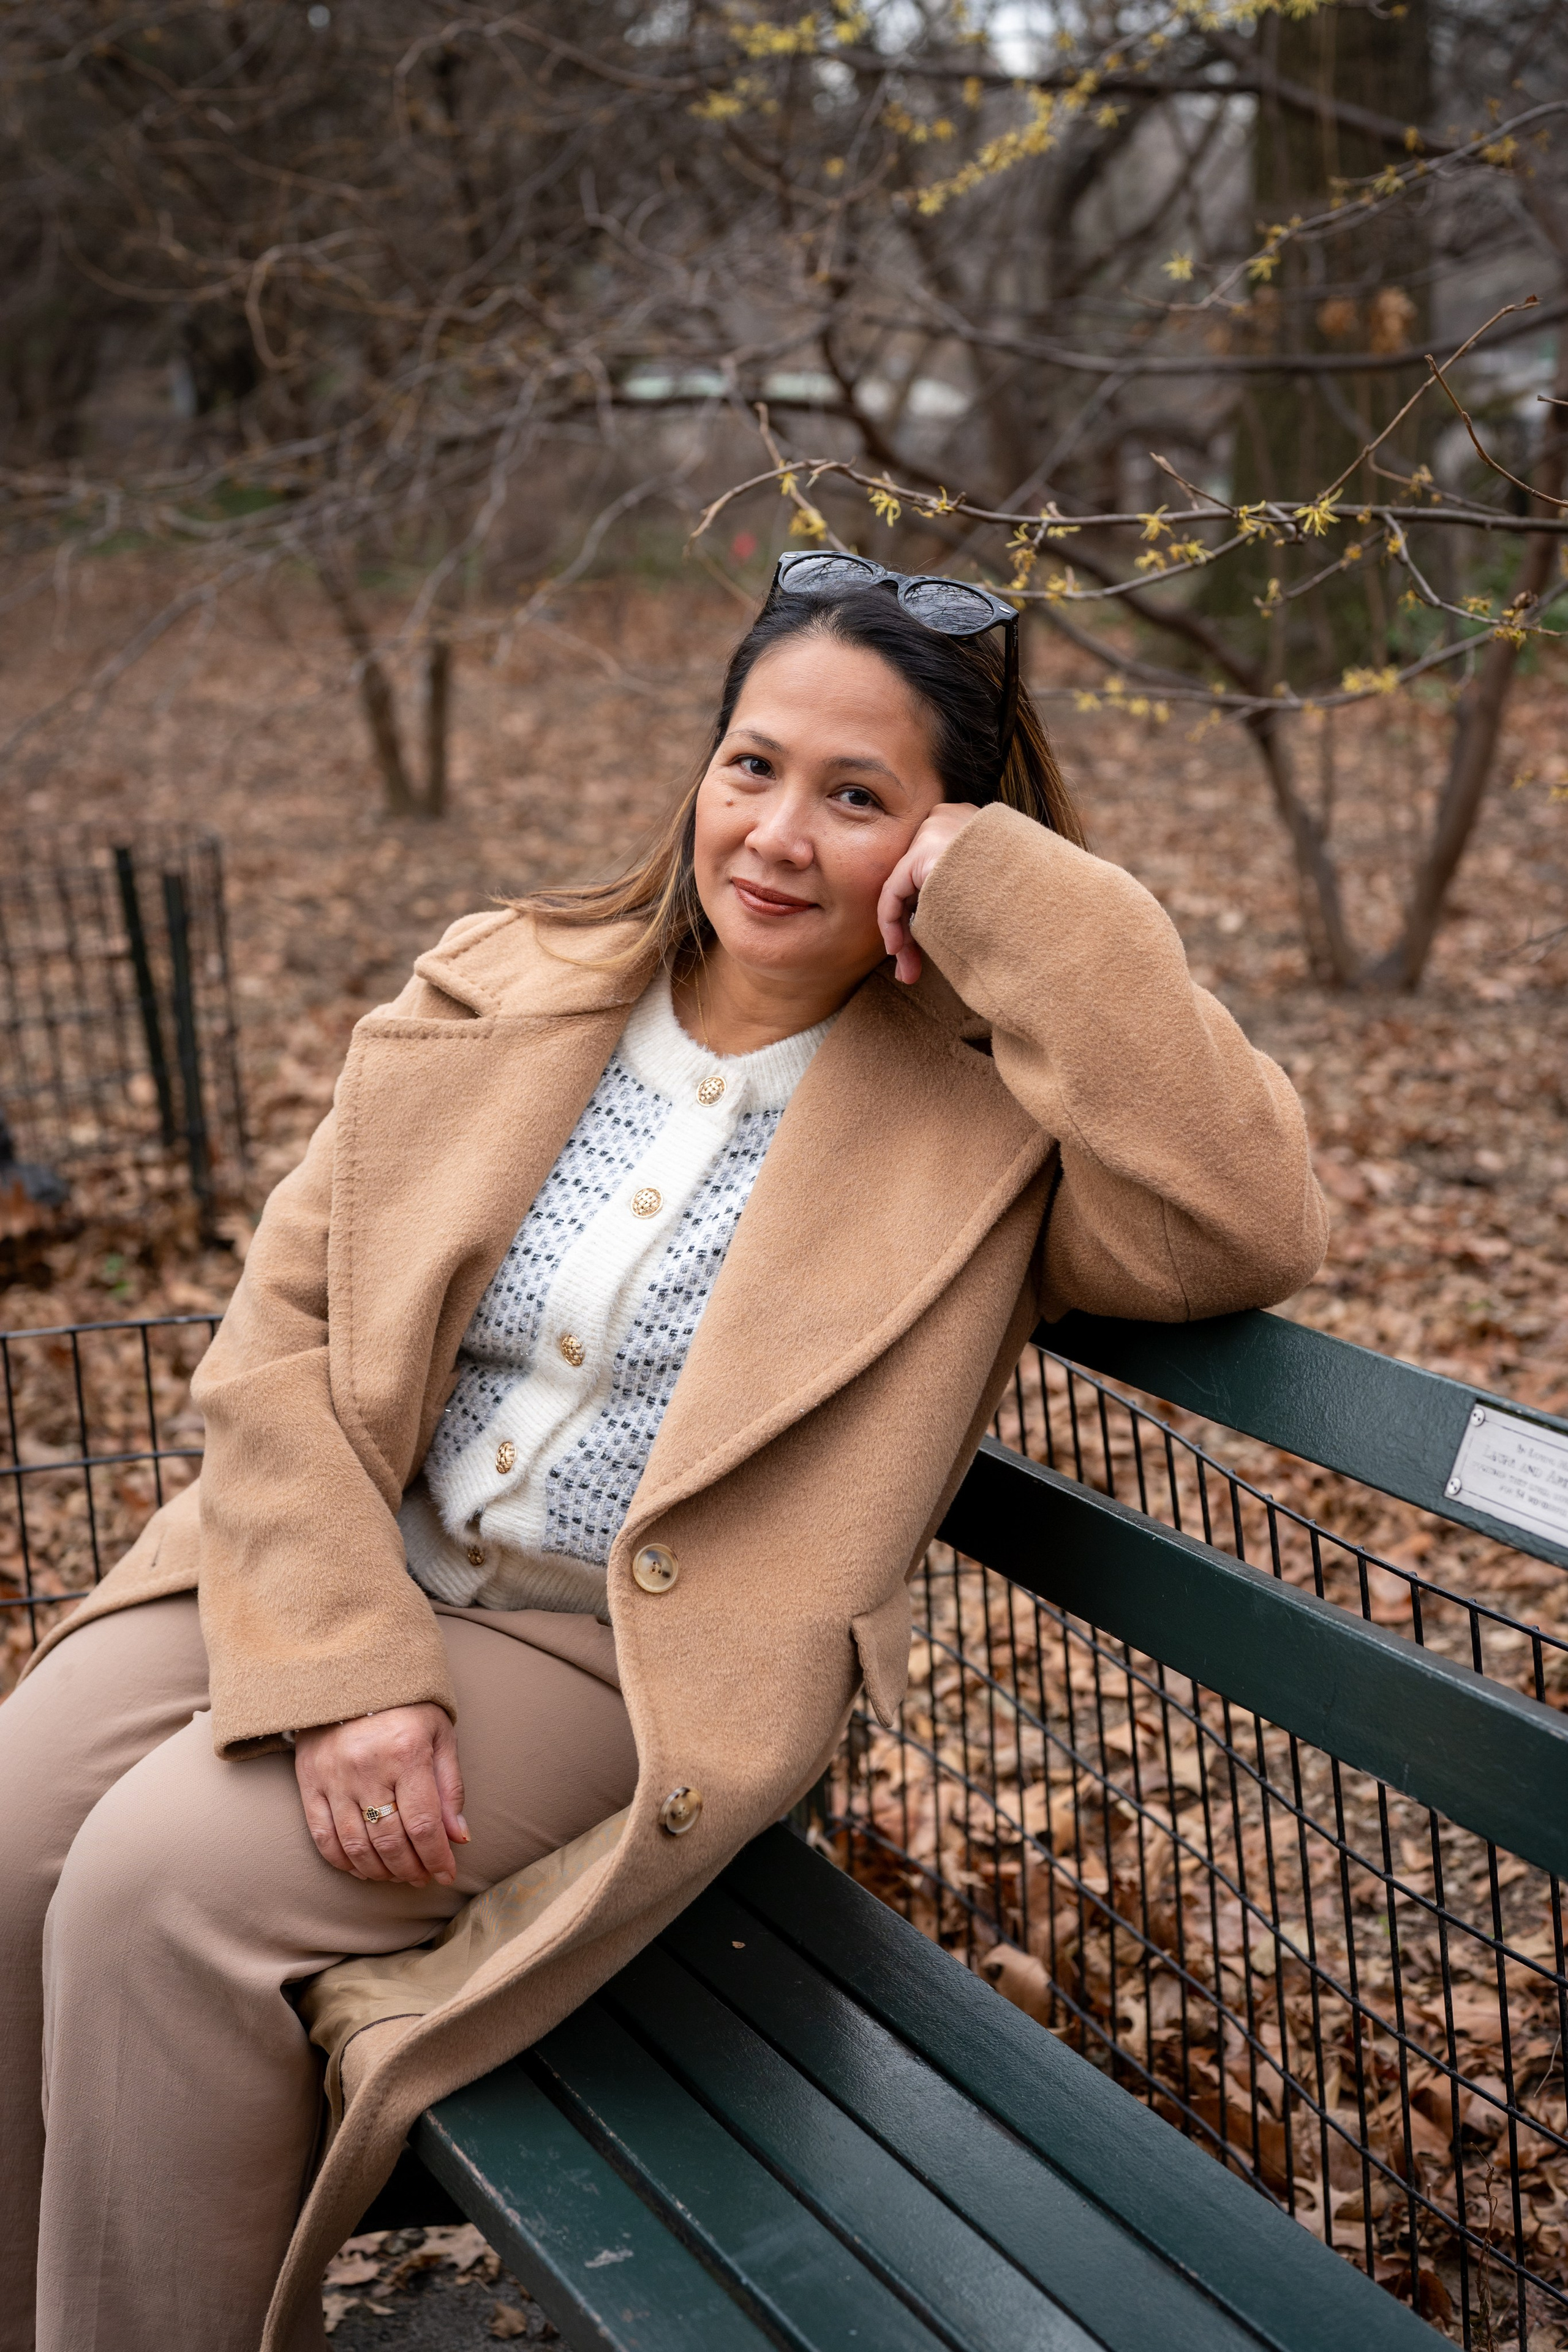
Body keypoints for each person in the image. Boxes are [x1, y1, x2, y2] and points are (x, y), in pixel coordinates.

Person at [0, 552, 1329, 2352]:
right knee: (15, 1835)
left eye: (859, 798)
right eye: (753, 765)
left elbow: (1245, 1225)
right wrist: (342, 1665)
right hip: (337, 1547)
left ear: (949, 845)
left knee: (162, 1897)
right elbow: (280, 1343)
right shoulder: (509, 980)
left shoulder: (988, 1126)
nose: (779, 835)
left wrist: (1022, 902)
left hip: (610, 1645)